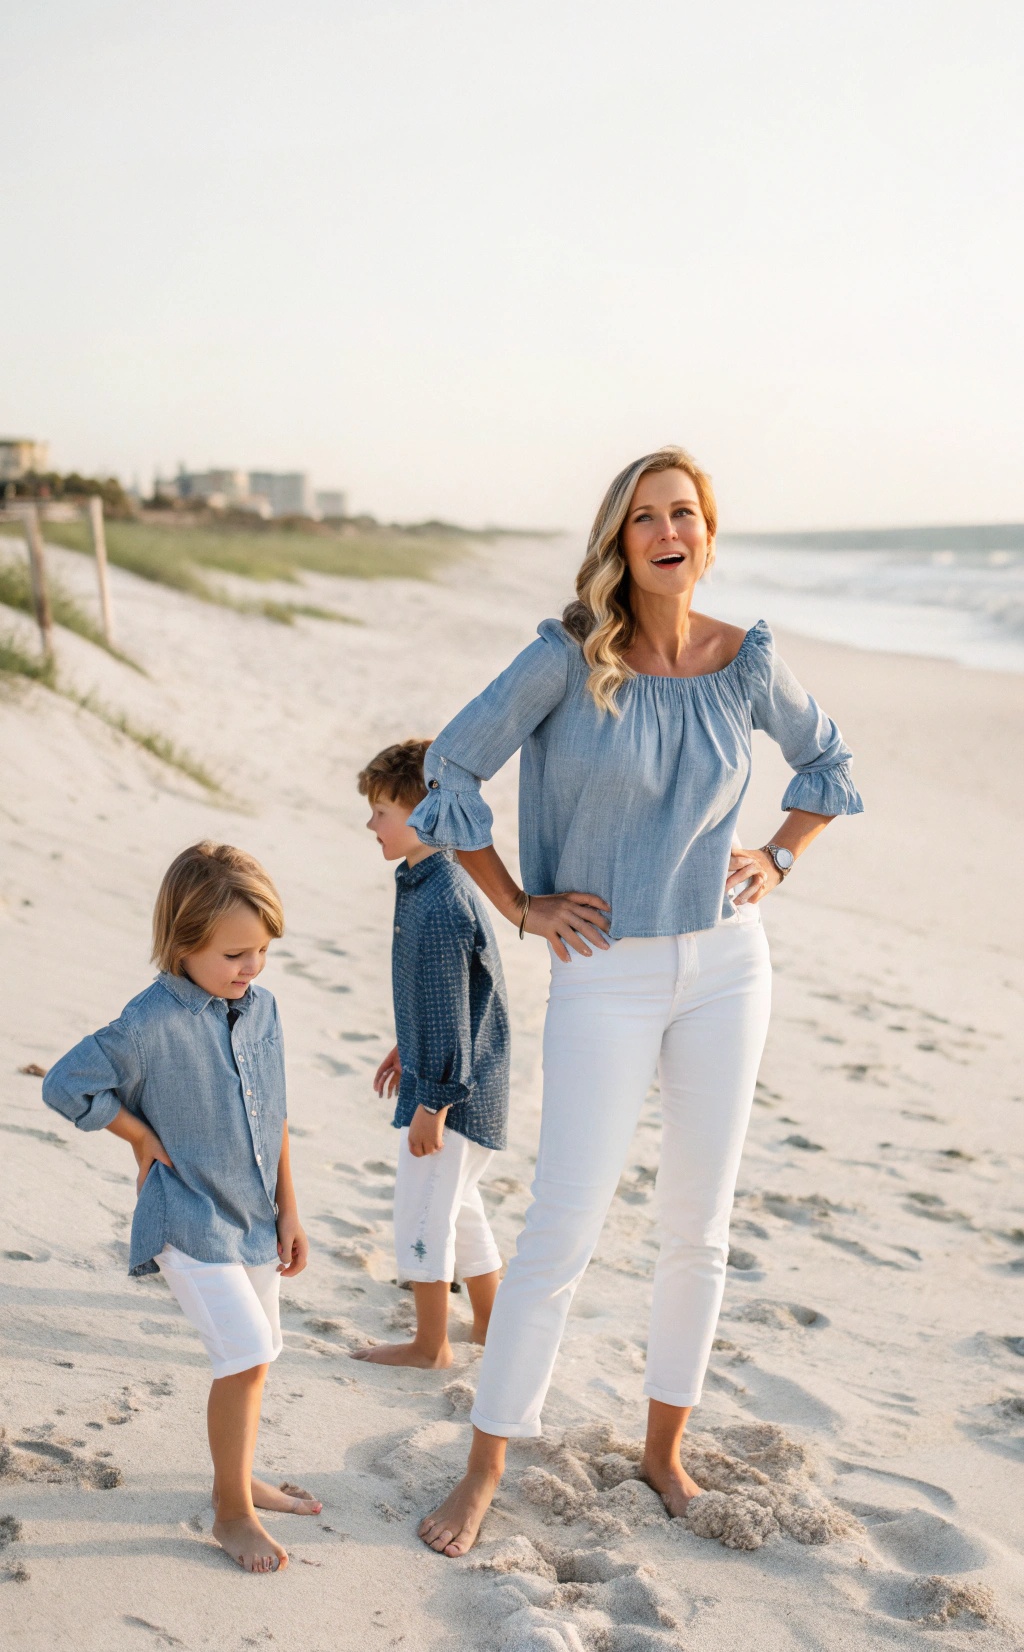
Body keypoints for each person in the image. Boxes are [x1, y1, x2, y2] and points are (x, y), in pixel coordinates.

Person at [411, 446, 864, 1556]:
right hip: (604, 966)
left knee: (696, 1227)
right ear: (620, 539)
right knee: (563, 1221)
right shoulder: (566, 656)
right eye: (646, 517)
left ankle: (665, 1452)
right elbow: (450, 772)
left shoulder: (747, 660)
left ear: (706, 533)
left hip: (727, 964)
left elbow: (828, 763)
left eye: (685, 514)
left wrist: (780, 856)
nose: (668, 531)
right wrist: (520, 905)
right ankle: (485, 1463)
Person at [42, 841, 317, 1575]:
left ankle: (241, 1475)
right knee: (246, 1353)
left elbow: (277, 1113)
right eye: (233, 954)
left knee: (259, 1358)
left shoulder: (263, 1010)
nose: (249, 968)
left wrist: (291, 1210)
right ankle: (232, 1512)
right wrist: (139, 1135)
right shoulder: (147, 1022)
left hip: (255, 1217)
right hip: (188, 1219)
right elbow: (66, 1085)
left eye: (260, 951)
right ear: (183, 943)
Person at [350, 739, 509, 1370]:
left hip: (455, 1091)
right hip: (463, 1074)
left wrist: (433, 1102)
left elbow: (451, 1007)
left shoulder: (442, 902)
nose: (371, 823)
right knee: (458, 1207)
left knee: (422, 1213)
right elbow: (446, 994)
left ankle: (429, 1345)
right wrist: (406, 1041)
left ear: (422, 817)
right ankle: (492, 1325)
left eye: (382, 811)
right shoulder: (428, 880)